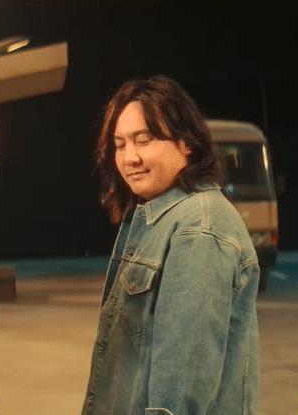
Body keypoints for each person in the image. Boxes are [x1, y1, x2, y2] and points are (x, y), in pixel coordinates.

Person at [82, 75, 260, 415]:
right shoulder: (158, 216)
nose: (130, 157)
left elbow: (181, 389)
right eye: (120, 144)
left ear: (187, 143)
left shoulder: (198, 229)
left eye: (144, 140)